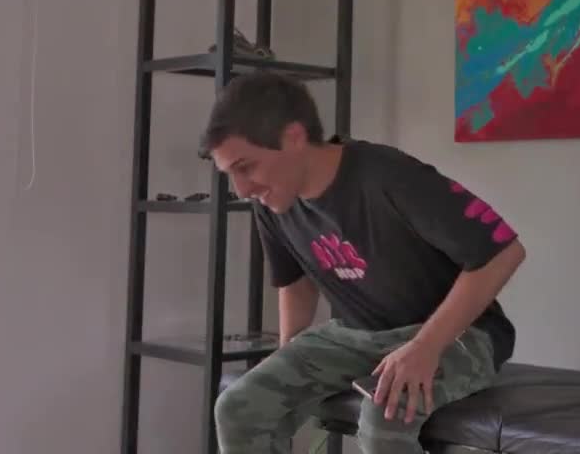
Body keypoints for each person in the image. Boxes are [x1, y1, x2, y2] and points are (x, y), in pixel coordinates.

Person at [200, 71, 526, 453]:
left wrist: (424, 347)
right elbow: (295, 284)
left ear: (293, 137)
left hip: (459, 337)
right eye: (230, 174)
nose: (241, 189)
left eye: (246, 167)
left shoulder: (388, 175)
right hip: (356, 336)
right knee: (238, 409)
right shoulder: (273, 201)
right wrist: (289, 360)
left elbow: (504, 253)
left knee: (384, 413)